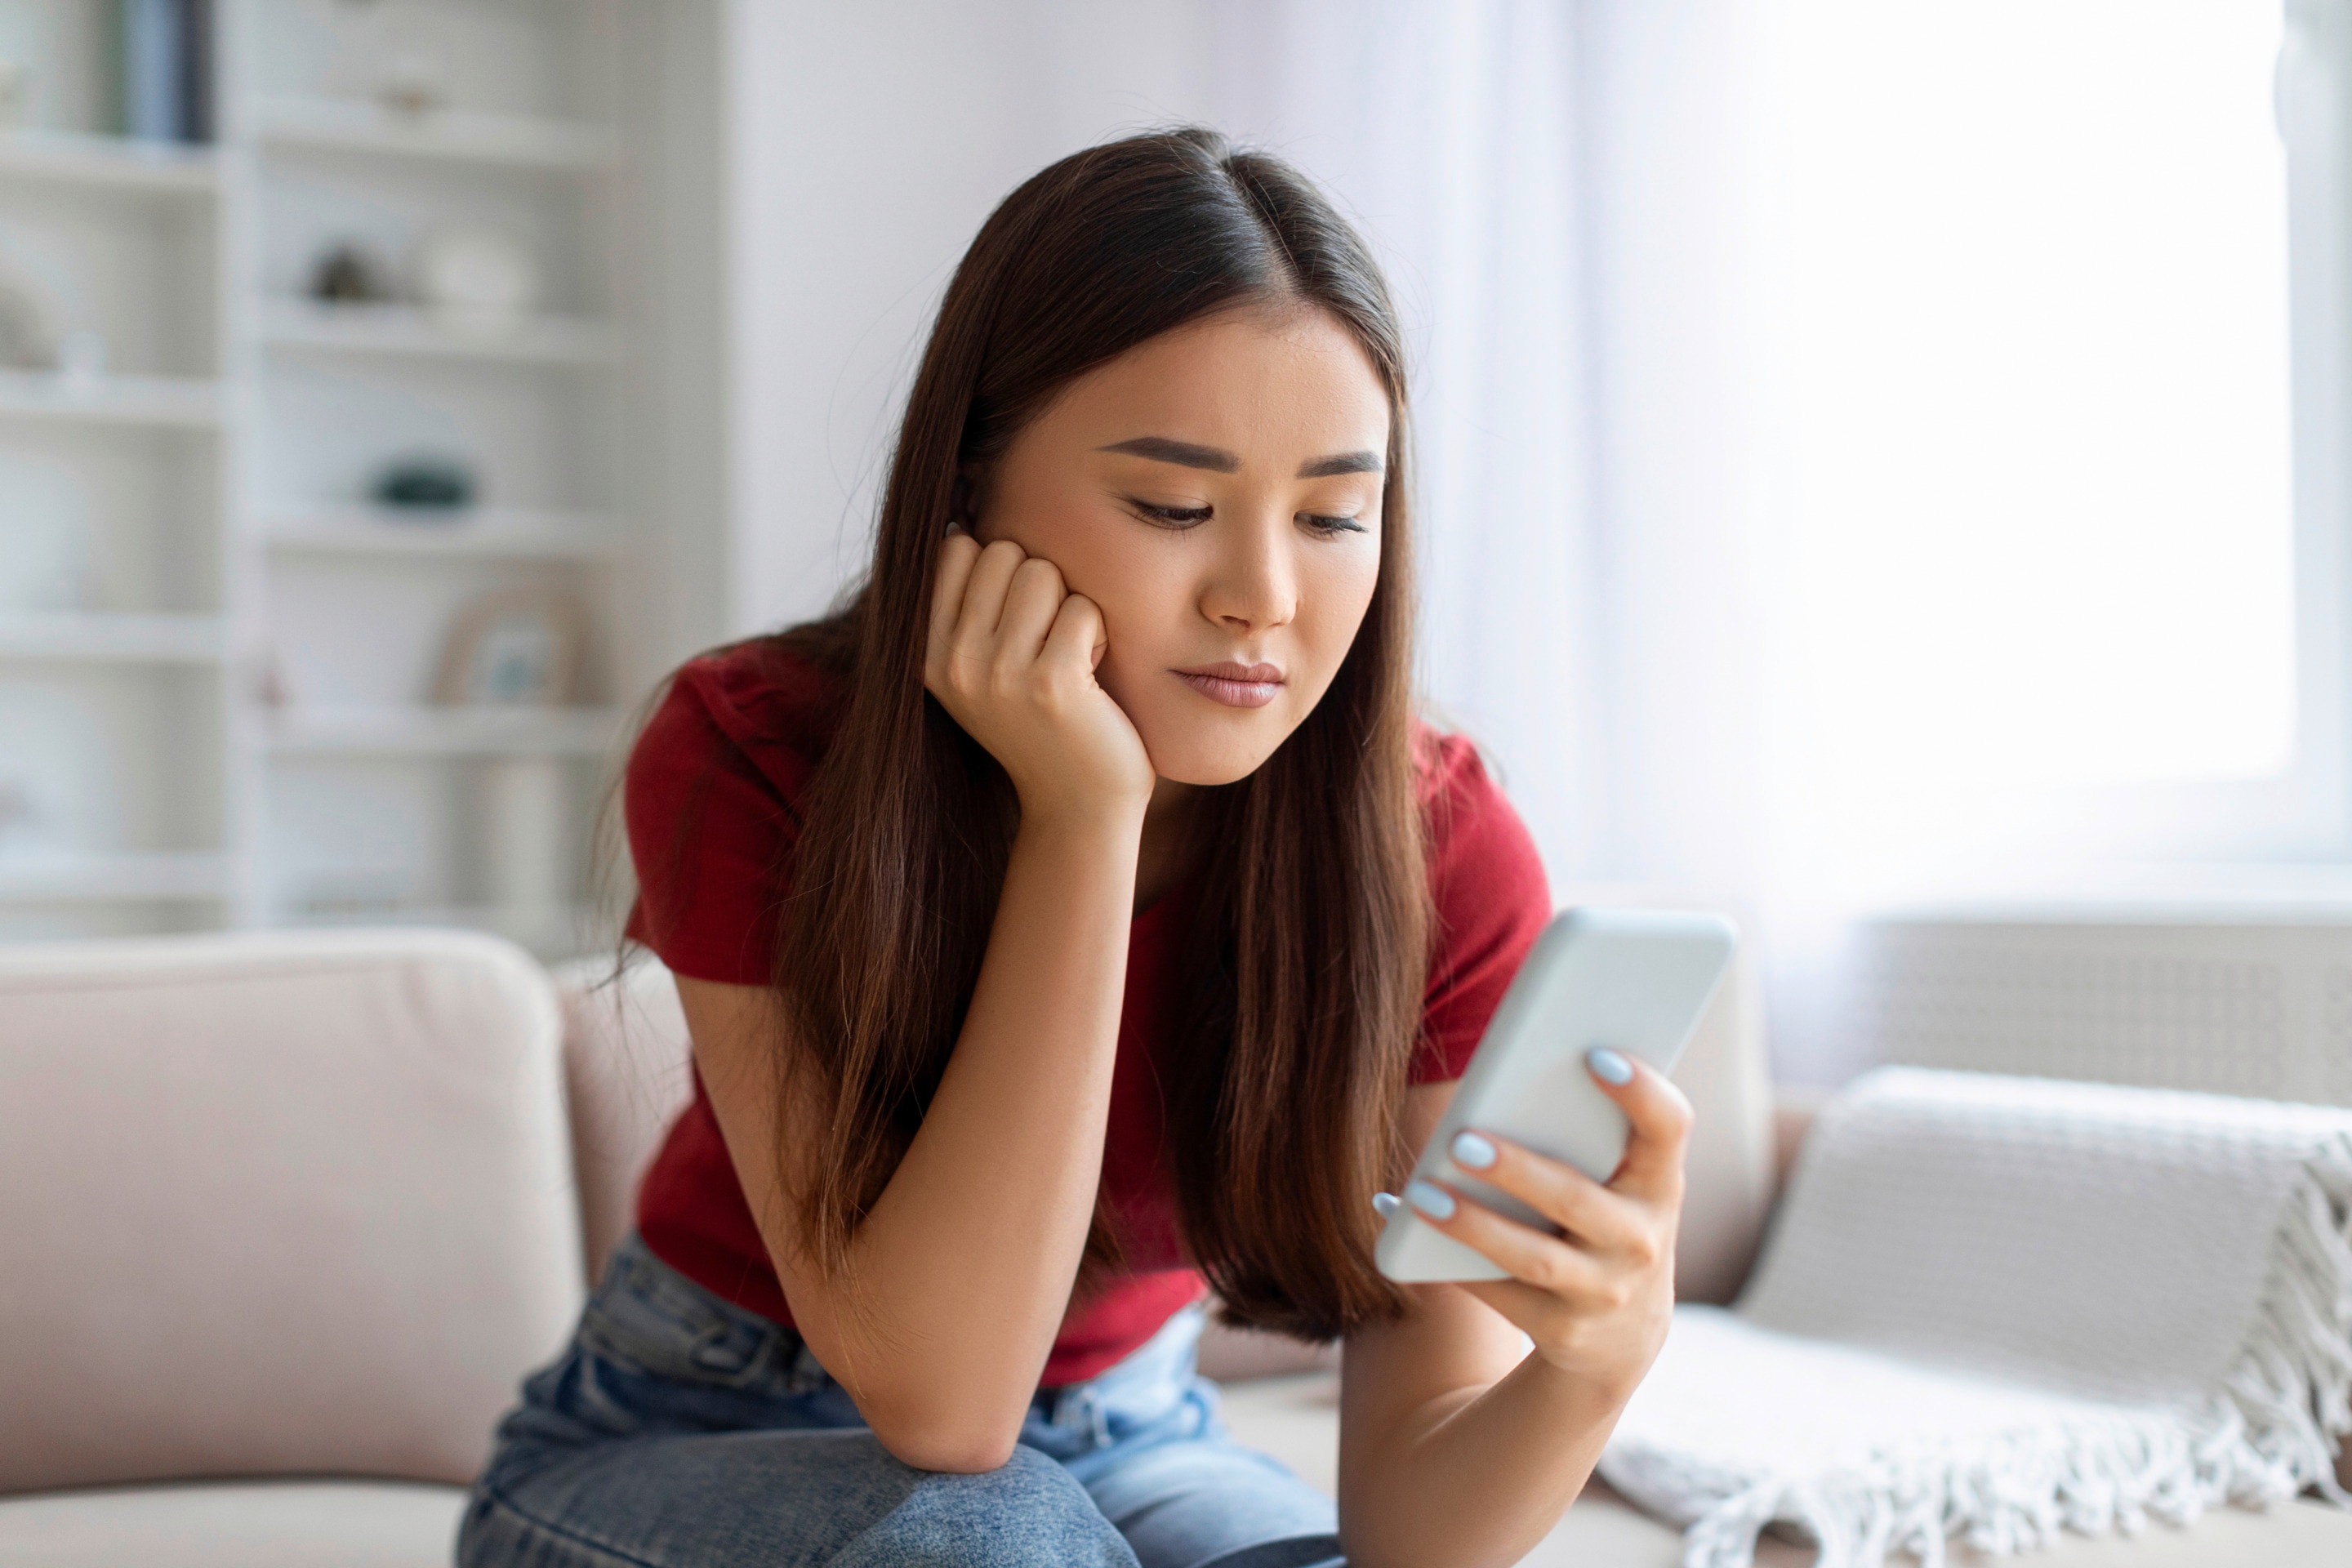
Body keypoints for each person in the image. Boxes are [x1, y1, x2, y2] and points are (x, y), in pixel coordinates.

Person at [457, 125, 1691, 1568]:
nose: (1262, 596)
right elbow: (947, 1410)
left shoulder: (1435, 846)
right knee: (992, 1540)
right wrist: (1084, 814)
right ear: (970, 490)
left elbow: (1418, 1542)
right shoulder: (750, 751)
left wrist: (1594, 1366)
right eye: (1174, 506)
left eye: (1333, 514)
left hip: (1130, 1434)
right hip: (694, 1427)